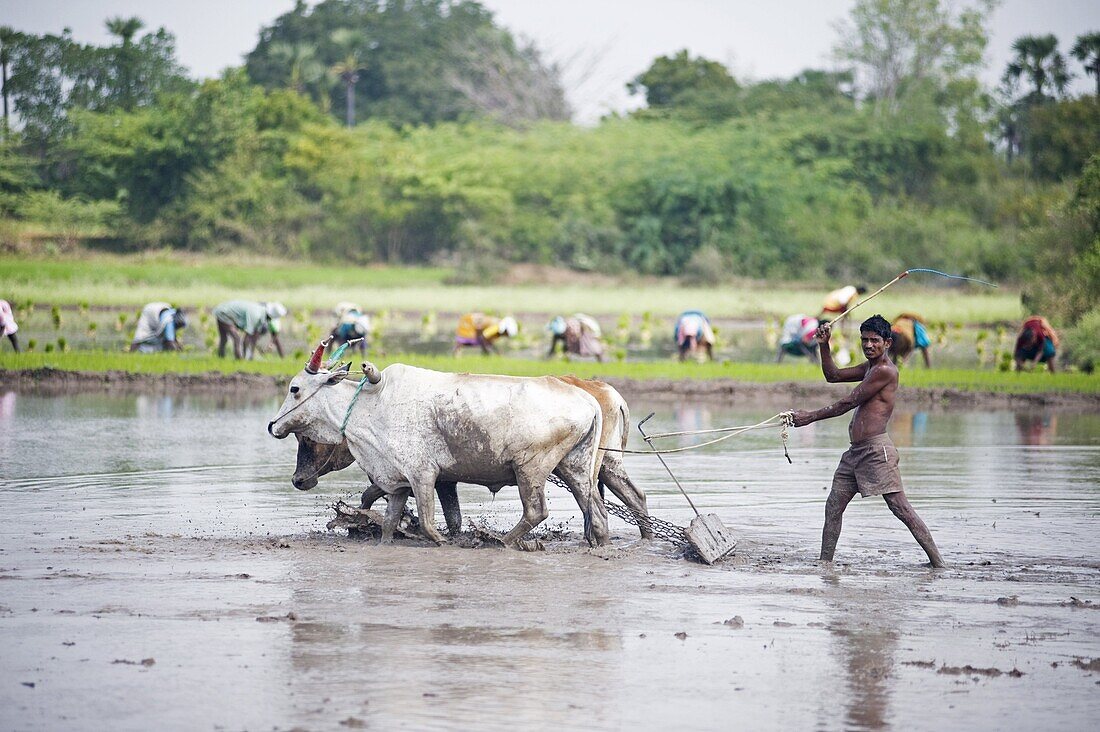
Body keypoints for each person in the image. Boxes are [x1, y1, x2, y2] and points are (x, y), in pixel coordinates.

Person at [790, 315, 946, 568]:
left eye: (875, 340)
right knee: (833, 506)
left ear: (887, 343)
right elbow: (833, 375)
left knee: (900, 508)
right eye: (864, 340)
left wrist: (810, 417)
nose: (868, 345)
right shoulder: (870, 367)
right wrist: (824, 345)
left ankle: (938, 563)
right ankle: (825, 564)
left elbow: (848, 402)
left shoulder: (885, 371)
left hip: (876, 452)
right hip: (855, 453)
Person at [211, 300, 286, 360]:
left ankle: (221, 358)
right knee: (237, 339)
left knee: (224, 339)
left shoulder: (261, 312)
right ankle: (239, 361)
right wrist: (244, 357)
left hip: (223, 310)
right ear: (270, 317)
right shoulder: (256, 315)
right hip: (224, 312)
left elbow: (254, 336)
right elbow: (246, 338)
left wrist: (251, 356)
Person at [453, 312, 517, 356]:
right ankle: (456, 354)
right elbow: (483, 337)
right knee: (467, 340)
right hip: (469, 324)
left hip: (472, 323)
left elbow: (489, 341)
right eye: (507, 334)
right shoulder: (496, 327)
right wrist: (486, 351)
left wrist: (497, 352)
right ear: (505, 331)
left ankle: (456, 353)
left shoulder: (497, 325)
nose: (506, 336)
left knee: (482, 342)